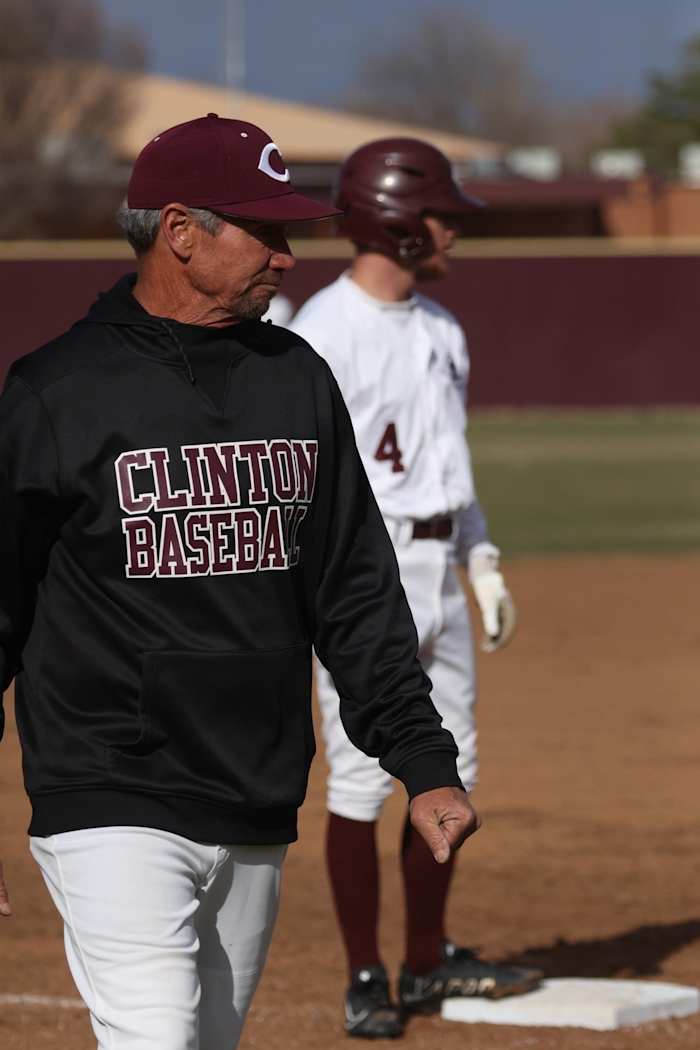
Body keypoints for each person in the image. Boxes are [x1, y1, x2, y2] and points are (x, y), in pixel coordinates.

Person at [0, 116, 481, 1050]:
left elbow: (352, 589)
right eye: (268, 231)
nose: (291, 257)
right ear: (181, 231)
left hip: (258, 791)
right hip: (110, 790)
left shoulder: (296, 379)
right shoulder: (58, 391)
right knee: (154, 1036)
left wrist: (421, 764)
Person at [290, 137, 537, 1040]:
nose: (453, 233)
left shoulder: (441, 331)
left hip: (441, 566)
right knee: (360, 779)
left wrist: (482, 561)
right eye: (442, 216)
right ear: (394, 220)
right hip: (365, 577)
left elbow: (452, 466)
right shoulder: (320, 333)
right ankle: (366, 973)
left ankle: (427, 960)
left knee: (454, 765)